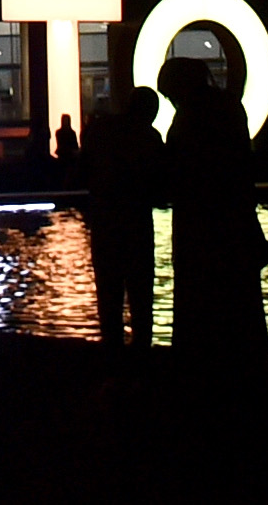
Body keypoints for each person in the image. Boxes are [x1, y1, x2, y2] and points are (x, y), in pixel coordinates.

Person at [156, 55, 263, 360]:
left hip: (197, 228)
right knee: (242, 314)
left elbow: (176, 170)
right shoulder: (229, 109)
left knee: (198, 312)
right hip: (235, 225)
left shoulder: (188, 118)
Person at [85, 84, 161, 348]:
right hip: (137, 225)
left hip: (105, 223)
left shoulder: (99, 130)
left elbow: (85, 170)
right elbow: (159, 185)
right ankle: (141, 357)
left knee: (108, 297)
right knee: (141, 300)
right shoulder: (150, 137)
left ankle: (112, 357)